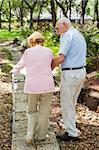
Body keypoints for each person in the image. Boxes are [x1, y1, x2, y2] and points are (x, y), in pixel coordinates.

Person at [11, 32, 55, 144]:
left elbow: (20, 65)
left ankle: (29, 134)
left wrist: (14, 71)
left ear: (31, 41)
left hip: (32, 86)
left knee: (31, 110)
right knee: (44, 111)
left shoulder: (28, 52)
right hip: (47, 85)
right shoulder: (49, 51)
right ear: (42, 41)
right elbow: (50, 65)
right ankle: (41, 136)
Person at [52, 17, 86, 141]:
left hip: (71, 73)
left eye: (57, 28)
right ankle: (69, 123)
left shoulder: (67, 35)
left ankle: (71, 132)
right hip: (81, 72)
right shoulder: (78, 34)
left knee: (67, 104)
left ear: (65, 24)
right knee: (72, 102)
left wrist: (47, 67)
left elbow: (61, 58)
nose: (56, 31)